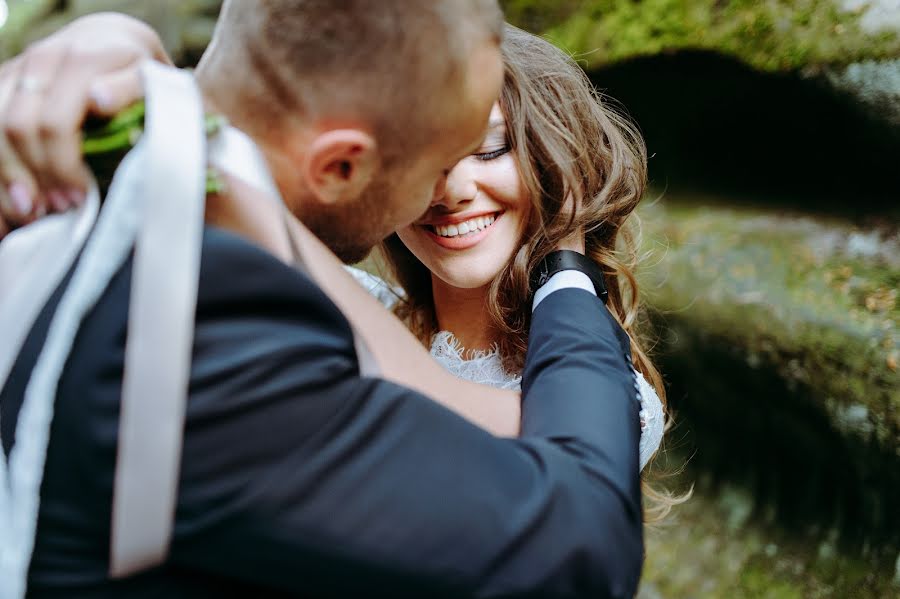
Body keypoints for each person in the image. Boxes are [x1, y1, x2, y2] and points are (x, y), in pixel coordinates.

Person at [0, 5, 645, 599]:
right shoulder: (222, 314)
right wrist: (569, 272)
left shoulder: (138, 185)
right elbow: (582, 546)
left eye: (487, 150)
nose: (445, 192)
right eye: (439, 162)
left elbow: (437, 392)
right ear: (339, 165)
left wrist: (125, 41)